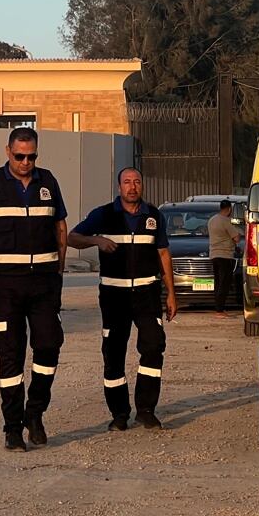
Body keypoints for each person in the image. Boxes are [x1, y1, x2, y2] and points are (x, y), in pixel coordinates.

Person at [0, 128, 68, 451]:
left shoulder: (47, 181)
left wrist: (59, 270)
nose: (25, 162)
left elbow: (60, 225)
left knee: (48, 346)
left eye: (31, 156)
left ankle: (35, 414)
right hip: (4, 286)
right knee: (11, 355)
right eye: (20, 156)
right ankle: (12, 428)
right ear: (8, 152)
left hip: (44, 283)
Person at [68, 167, 177, 431]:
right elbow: (71, 237)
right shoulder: (103, 214)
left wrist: (171, 293)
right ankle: (119, 413)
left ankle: (146, 409)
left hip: (147, 293)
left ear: (142, 186)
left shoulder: (153, 215)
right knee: (113, 353)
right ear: (119, 187)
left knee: (153, 346)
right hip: (114, 295)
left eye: (137, 182)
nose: (132, 187)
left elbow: (163, 254)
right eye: (127, 182)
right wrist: (96, 240)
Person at [206, 199, 241, 317]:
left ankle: (218, 308)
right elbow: (236, 237)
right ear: (229, 209)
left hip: (213, 255)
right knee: (224, 283)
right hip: (225, 255)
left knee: (217, 282)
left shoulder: (212, 220)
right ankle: (220, 310)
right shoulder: (226, 221)